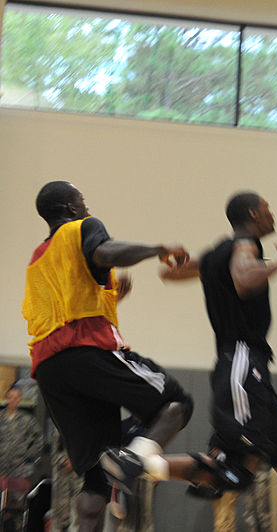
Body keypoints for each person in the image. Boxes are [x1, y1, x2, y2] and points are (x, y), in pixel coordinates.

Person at [21, 181, 198, 532]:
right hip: (85, 350)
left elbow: (57, 311)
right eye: (81, 201)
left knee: (95, 479)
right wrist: (157, 248)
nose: (86, 206)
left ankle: (115, 472)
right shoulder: (83, 227)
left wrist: (110, 301)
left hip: (49, 370)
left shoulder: (38, 258)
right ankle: (131, 461)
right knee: (176, 402)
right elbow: (104, 252)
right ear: (72, 208)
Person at [159, 190, 277, 531]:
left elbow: (173, 274)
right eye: (267, 208)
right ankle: (135, 465)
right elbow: (246, 280)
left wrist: (180, 266)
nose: (271, 214)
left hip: (244, 365)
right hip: (242, 363)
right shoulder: (247, 245)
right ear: (252, 213)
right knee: (234, 471)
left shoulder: (218, 251)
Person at [0, 386, 43, 531]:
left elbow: (39, 438)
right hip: (1, 469)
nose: (13, 400)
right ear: (7, 398)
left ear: (19, 400)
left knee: (17, 509)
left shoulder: (26, 420)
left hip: (19, 471)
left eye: (16, 397)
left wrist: (29, 455)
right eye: (11, 397)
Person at [48, 419, 83, 532]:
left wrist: (75, 461)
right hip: (61, 477)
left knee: (77, 515)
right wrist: (65, 461)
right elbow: (53, 453)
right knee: (59, 517)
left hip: (78, 477)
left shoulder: (85, 425)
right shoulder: (57, 423)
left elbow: (88, 451)